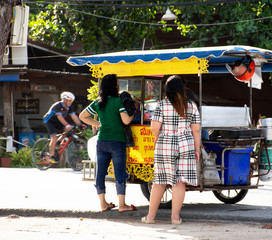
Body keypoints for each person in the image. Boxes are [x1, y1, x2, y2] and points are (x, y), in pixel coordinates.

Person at [141, 75, 201, 225]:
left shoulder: (162, 105)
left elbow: (154, 127)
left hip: (165, 143)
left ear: (167, 90)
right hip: (185, 143)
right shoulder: (192, 106)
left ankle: (150, 217)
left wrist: (157, 136)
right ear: (182, 88)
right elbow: (196, 130)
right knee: (180, 182)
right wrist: (196, 149)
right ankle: (175, 218)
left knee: (159, 181)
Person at [79, 74, 137, 213]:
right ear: (114, 85)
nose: (118, 85)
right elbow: (126, 121)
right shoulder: (118, 101)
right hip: (117, 142)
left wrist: (98, 123)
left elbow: (82, 116)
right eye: (117, 83)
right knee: (119, 173)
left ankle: (103, 204)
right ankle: (122, 205)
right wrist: (134, 112)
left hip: (102, 141)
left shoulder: (99, 102)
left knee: (100, 173)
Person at [43, 91, 83, 163]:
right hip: (50, 121)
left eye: (72, 101)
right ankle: (52, 156)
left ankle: (58, 142)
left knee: (68, 130)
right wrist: (67, 125)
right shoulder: (57, 106)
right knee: (54, 137)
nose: (71, 102)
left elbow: (74, 116)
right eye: (69, 100)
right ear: (64, 100)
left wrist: (80, 125)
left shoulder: (69, 107)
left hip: (58, 122)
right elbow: (60, 117)